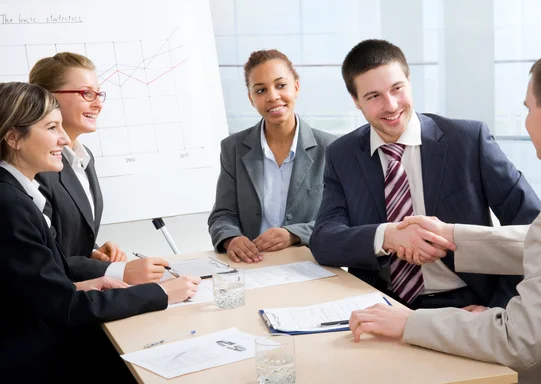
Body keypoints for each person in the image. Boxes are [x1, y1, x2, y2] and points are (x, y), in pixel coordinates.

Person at [349, 43, 541, 384]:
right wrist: (452, 236)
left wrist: (407, 323)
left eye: (528, 108)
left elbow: (520, 339)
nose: (526, 122)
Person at [309, 39, 541, 310]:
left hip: (466, 303)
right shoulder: (342, 153)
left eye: (397, 88)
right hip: (383, 304)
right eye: (373, 96)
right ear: (356, 101)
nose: (391, 105)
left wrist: (498, 307)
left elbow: (535, 230)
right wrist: (387, 236)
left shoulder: (468, 140)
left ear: (409, 81)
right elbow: (324, 240)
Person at [0, 82, 201, 382]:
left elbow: (30, 285)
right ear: (14, 137)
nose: (65, 139)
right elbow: (63, 309)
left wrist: (87, 284)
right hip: (31, 359)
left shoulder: (16, 193)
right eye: (52, 127)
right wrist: (160, 292)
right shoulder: (9, 203)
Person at [30, 52, 169, 284]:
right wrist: (121, 271)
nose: (98, 103)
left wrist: (92, 252)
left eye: (99, 94)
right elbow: (46, 257)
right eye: (87, 93)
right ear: (48, 97)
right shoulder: (34, 167)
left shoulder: (84, 157)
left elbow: (65, 237)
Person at [208, 49, 336, 264]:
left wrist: (294, 234)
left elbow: (338, 220)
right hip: (251, 265)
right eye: (260, 90)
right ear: (251, 98)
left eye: (280, 85)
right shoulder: (234, 148)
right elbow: (222, 214)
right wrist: (232, 238)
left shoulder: (330, 148)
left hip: (309, 265)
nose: (272, 96)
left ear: (296, 87)